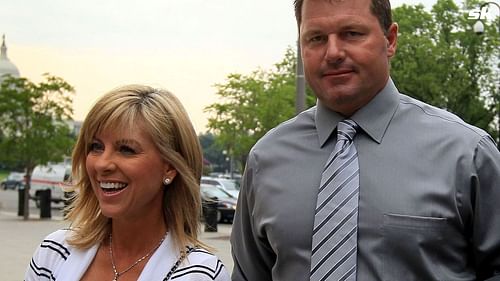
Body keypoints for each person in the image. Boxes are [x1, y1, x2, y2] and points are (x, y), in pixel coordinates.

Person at [230, 0, 500, 280]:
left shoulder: (467, 155)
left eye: (351, 34)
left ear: (390, 40)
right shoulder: (266, 160)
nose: (333, 52)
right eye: (316, 38)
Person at [25, 85, 231, 281]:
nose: (102, 164)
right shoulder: (54, 253)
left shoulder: (199, 274)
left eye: (126, 149)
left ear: (169, 167)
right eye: (96, 146)